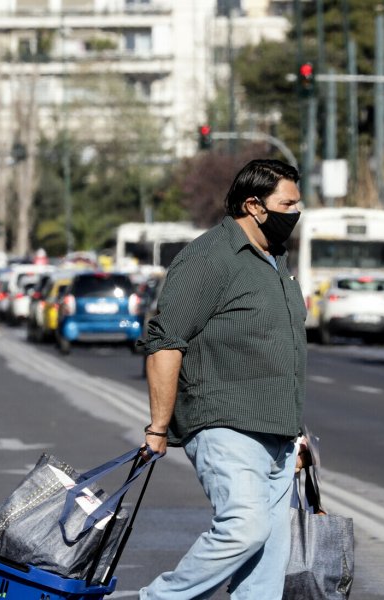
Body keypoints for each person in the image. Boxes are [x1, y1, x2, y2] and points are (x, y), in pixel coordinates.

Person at [137, 159, 307, 599]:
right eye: (287, 203)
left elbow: (280, 350)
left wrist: (298, 433)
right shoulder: (210, 257)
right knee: (244, 528)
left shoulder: (274, 260)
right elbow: (165, 341)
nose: (296, 212)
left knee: (267, 565)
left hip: (279, 434)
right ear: (254, 205)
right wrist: (158, 427)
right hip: (225, 422)